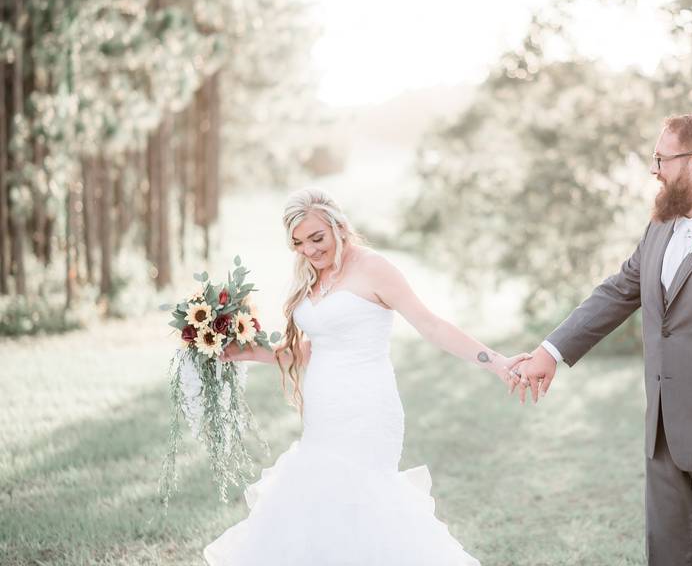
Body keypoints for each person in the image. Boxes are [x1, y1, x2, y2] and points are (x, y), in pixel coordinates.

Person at [510, 113, 692, 565]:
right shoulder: (661, 227)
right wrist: (551, 351)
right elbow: (618, 291)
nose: (654, 169)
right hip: (665, 437)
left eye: (660, 158)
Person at [204, 188, 527, 566]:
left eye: (316, 238)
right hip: (323, 414)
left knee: (364, 506)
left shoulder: (374, 268)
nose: (308, 250)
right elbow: (310, 350)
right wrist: (245, 352)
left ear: (338, 225)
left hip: (367, 412)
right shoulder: (313, 277)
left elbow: (431, 325)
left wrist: (499, 363)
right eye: (298, 243)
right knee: (319, 511)